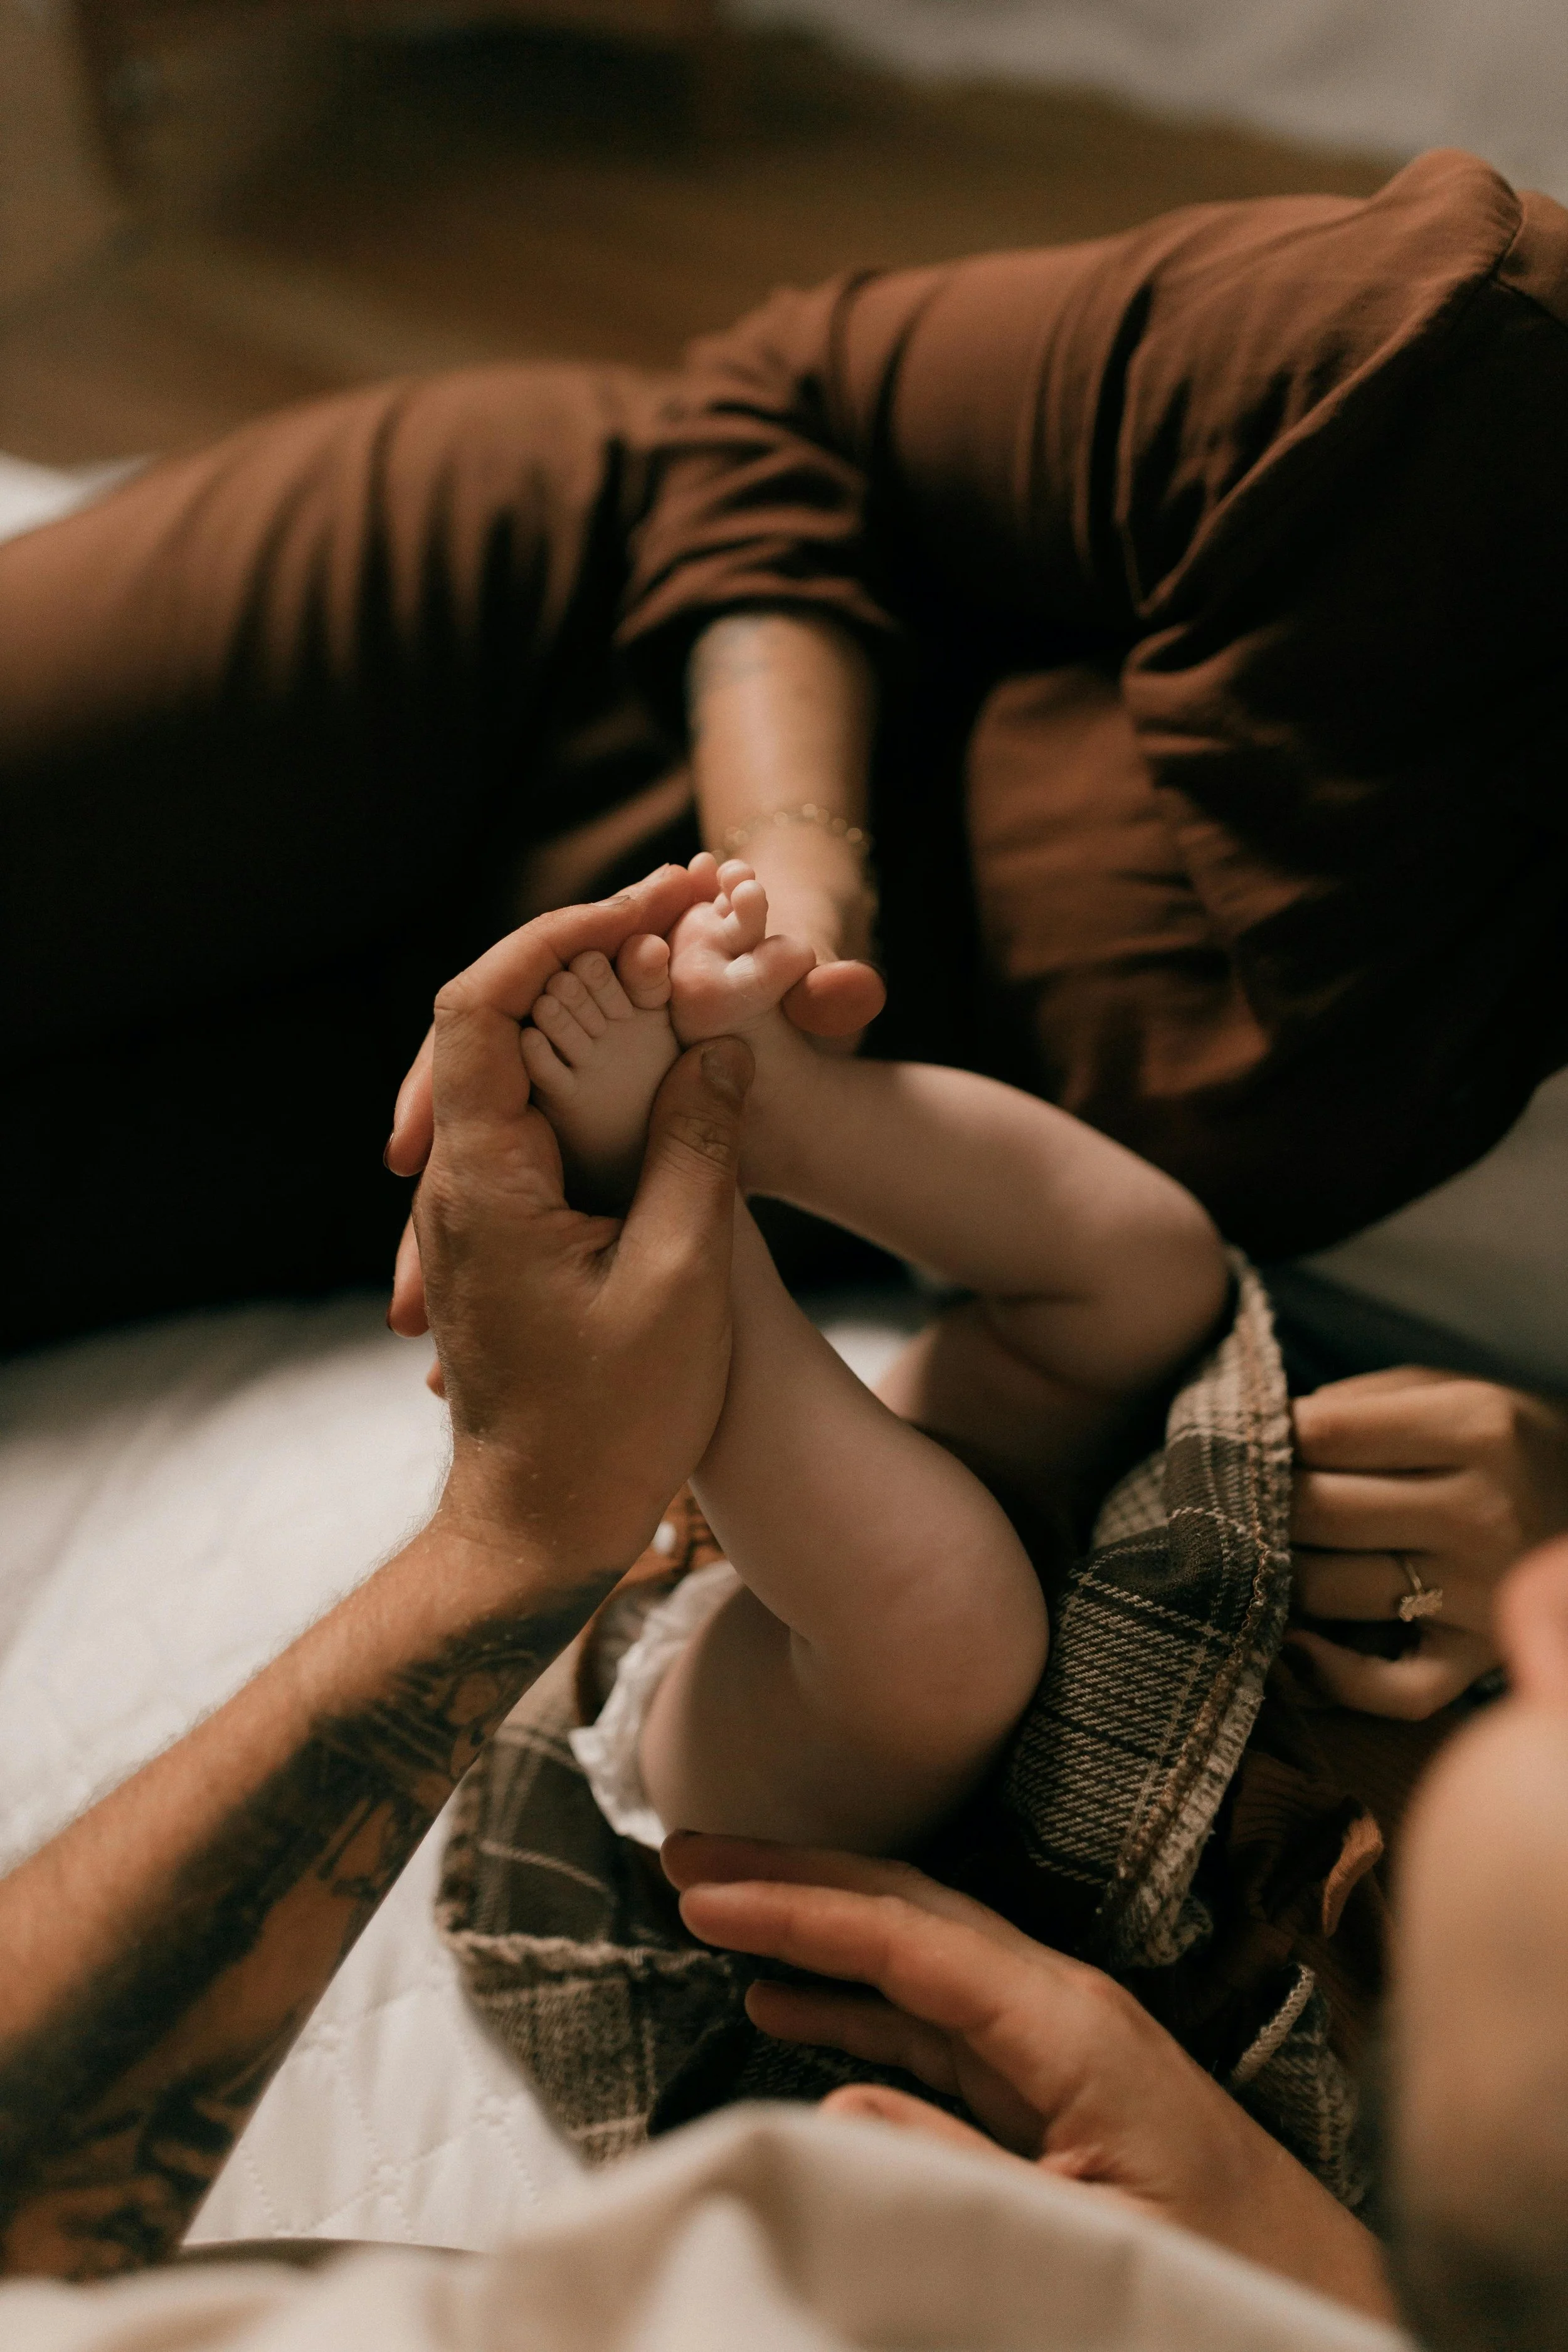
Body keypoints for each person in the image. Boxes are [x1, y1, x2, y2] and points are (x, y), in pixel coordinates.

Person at [520, 852, 1223, 1852]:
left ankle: (672, 1200)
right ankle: (771, 1117)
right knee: (1158, 1278)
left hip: (795, 1724)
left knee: (945, 1628)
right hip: (808, 1618)